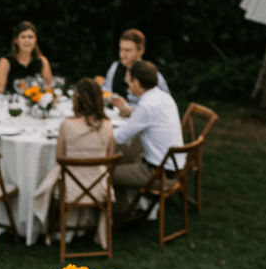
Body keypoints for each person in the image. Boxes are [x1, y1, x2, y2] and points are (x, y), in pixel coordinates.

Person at [33, 78, 115, 248]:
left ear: (76, 100)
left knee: (51, 182)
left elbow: (59, 158)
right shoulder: (108, 126)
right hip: (100, 189)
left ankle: (49, 229)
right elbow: (109, 159)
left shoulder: (67, 125)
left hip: (70, 189)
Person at [113, 60, 184, 190]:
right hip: (173, 166)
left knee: (105, 172)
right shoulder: (163, 97)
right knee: (125, 151)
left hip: (158, 174)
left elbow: (120, 137)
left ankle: (123, 207)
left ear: (137, 81)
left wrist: (97, 134)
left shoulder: (147, 105)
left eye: (130, 81)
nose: (128, 84)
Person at [102, 29, 170, 114]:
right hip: (115, 118)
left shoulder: (152, 75)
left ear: (140, 52)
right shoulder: (115, 67)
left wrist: (131, 110)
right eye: (121, 49)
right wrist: (112, 97)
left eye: (127, 50)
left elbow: (165, 105)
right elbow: (104, 92)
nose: (122, 55)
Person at [0, 21, 53, 96]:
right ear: (16, 40)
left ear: (35, 40)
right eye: (23, 37)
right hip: (11, 105)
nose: (27, 41)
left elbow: (49, 89)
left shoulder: (42, 61)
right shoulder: (5, 61)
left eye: (30, 37)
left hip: (36, 104)